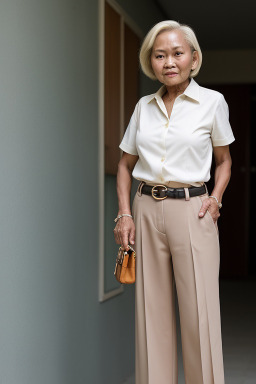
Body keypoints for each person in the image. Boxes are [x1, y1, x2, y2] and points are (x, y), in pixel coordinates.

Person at [114, 20, 235, 384]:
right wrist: (123, 214)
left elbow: (224, 161)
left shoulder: (212, 103)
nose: (169, 62)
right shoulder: (142, 108)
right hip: (145, 210)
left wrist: (216, 199)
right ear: (151, 61)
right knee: (153, 318)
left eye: (177, 54)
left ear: (194, 59)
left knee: (200, 316)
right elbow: (124, 165)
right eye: (160, 55)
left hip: (193, 210)